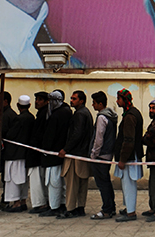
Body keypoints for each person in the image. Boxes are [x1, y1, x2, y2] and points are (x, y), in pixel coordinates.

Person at [56, 90, 92, 219]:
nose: (71, 101)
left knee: (72, 183)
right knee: (82, 183)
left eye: (74, 99)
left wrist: (66, 149)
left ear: (81, 101)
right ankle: (80, 207)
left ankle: (70, 209)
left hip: (75, 154)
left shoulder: (79, 114)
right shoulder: (86, 112)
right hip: (83, 153)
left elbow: (77, 134)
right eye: (71, 98)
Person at [114, 88, 144, 222]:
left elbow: (129, 140)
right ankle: (128, 208)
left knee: (129, 184)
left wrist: (123, 159)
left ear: (124, 100)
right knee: (126, 184)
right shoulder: (131, 113)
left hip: (130, 156)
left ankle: (131, 213)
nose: (117, 101)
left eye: (118, 98)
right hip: (130, 155)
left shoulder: (130, 116)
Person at [39, 91, 71, 217]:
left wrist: (46, 149)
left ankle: (54, 206)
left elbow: (50, 135)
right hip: (61, 153)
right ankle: (61, 204)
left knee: (53, 182)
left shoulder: (56, 115)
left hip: (53, 154)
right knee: (60, 182)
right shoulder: (67, 112)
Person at [2, 95, 34, 213]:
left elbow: (10, 135)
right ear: (29, 105)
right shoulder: (31, 117)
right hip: (24, 153)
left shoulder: (19, 119)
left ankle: (16, 203)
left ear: (18, 105)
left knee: (13, 178)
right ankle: (23, 200)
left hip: (14, 153)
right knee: (22, 178)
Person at [89, 91, 118, 220]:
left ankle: (107, 209)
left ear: (100, 104)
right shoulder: (111, 116)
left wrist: (93, 154)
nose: (93, 105)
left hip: (101, 155)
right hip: (108, 154)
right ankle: (111, 207)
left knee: (102, 183)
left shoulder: (101, 117)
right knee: (106, 182)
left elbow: (98, 138)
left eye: (94, 103)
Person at [27, 91, 49, 214]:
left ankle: (40, 204)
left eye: (40, 99)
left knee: (36, 180)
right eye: (36, 99)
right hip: (38, 153)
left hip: (37, 153)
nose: (37, 102)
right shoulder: (41, 114)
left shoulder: (44, 114)